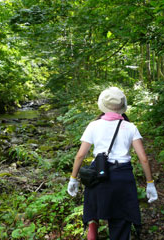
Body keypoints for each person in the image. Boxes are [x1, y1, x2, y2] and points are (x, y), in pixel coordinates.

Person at [67, 87, 158, 240]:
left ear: (103, 105)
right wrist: (150, 183)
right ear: (122, 107)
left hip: (99, 176)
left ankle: (93, 229)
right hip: (123, 178)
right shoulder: (131, 127)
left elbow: (80, 155)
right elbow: (143, 158)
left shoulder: (93, 125)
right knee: (121, 221)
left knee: (93, 209)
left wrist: (73, 179)